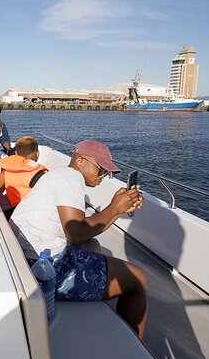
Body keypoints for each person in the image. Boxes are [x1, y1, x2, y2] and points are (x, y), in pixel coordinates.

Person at [9, 140, 148, 337]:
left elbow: (81, 233)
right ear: (80, 161)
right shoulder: (70, 177)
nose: (103, 177)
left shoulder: (58, 175)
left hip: (29, 259)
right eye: (100, 170)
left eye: (106, 173)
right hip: (44, 270)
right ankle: (134, 351)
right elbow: (75, 233)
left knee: (92, 244)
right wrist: (114, 208)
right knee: (138, 279)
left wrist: (118, 210)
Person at [0, 136, 48, 207]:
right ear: (37, 153)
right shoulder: (39, 174)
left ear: (16, 153)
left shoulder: (8, 169)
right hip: (34, 210)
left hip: (16, 209)